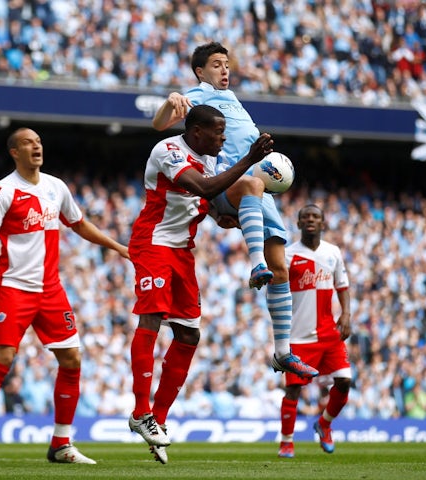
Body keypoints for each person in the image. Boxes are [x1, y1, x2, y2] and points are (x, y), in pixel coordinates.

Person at [0, 127, 130, 465]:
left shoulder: (56, 187)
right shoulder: (4, 190)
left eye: (38, 142)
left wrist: (117, 246)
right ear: (14, 152)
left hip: (51, 290)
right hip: (15, 288)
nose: (36, 147)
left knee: (72, 360)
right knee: (4, 359)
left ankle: (61, 443)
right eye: (27, 143)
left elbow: (79, 224)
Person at [152, 41, 318, 380]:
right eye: (216, 65)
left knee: (281, 268)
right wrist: (171, 101)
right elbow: (160, 124)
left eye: (226, 64)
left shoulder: (232, 98)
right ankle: (254, 263)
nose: (224, 70)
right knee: (256, 200)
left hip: (258, 184)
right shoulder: (198, 94)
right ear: (200, 71)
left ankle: (283, 352)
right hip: (232, 182)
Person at [128, 104, 275, 464]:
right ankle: (141, 413)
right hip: (154, 243)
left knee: (190, 335)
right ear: (197, 132)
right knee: (152, 318)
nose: (223, 137)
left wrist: (219, 215)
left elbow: (203, 197)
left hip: (181, 251)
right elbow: (201, 186)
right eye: (218, 131)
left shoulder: (209, 156)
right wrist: (249, 160)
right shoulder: (168, 150)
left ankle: (158, 422)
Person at [277, 204, 351, 458]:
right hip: (298, 335)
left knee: (344, 381)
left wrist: (347, 314)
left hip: (329, 332)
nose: (310, 219)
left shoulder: (333, 252)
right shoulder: (287, 255)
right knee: (294, 390)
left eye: (315, 217)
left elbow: (342, 285)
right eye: (305, 217)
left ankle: (324, 423)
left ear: (323, 223)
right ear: (298, 224)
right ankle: (287, 441)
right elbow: (276, 291)